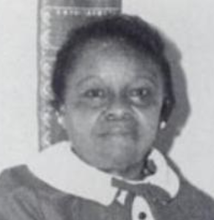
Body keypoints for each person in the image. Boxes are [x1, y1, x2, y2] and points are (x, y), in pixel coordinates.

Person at [0, 14, 213, 220]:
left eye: (140, 93)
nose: (119, 109)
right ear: (61, 110)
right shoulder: (15, 199)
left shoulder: (199, 209)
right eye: (95, 94)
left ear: (163, 111)